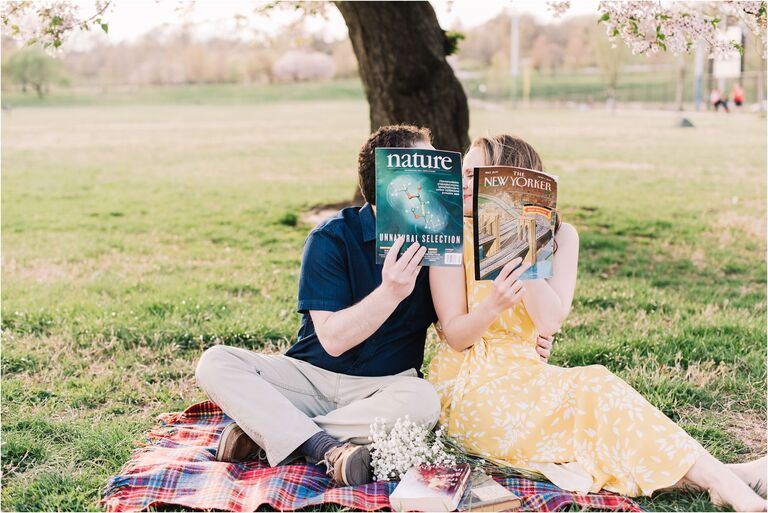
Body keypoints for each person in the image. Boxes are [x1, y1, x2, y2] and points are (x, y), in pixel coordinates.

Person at [427, 134, 767, 511]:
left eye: (478, 176)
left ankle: (721, 477)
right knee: (598, 394)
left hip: (526, 373)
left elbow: (550, 320)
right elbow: (456, 336)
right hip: (469, 382)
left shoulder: (562, 236)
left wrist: (519, 252)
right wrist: (492, 306)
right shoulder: (450, 237)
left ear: (510, 181)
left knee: (598, 400)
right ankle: (728, 478)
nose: (466, 185)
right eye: (465, 175)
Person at [195, 125, 443, 487]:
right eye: (427, 169)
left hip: (384, 387)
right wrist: (391, 292)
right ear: (391, 182)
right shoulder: (331, 237)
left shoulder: (443, 246)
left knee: (425, 401)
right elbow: (333, 340)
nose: (437, 179)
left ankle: (275, 435)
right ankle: (326, 446)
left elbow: (456, 326)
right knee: (216, 362)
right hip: (310, 377)